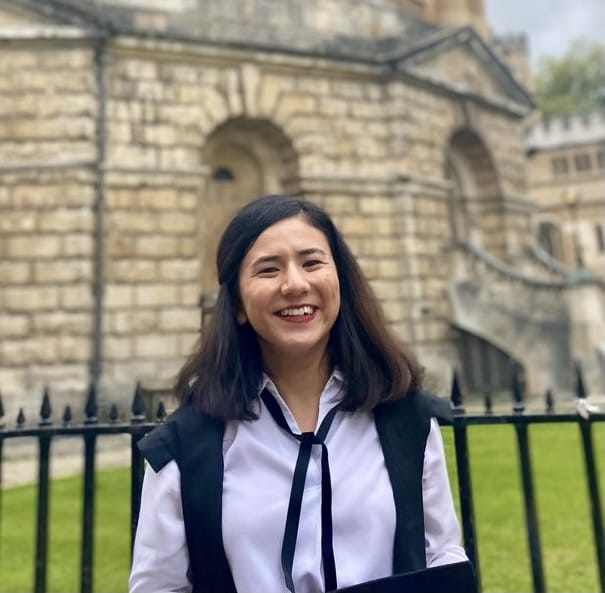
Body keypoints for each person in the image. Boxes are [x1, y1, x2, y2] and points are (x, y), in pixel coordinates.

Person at [129, 194, 472, 593]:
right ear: (238, 303)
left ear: (339, 281)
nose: (295, 284)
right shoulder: (185, 448)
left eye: (312, 263)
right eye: (268, 270)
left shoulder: (406, 422)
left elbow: (441, 556)